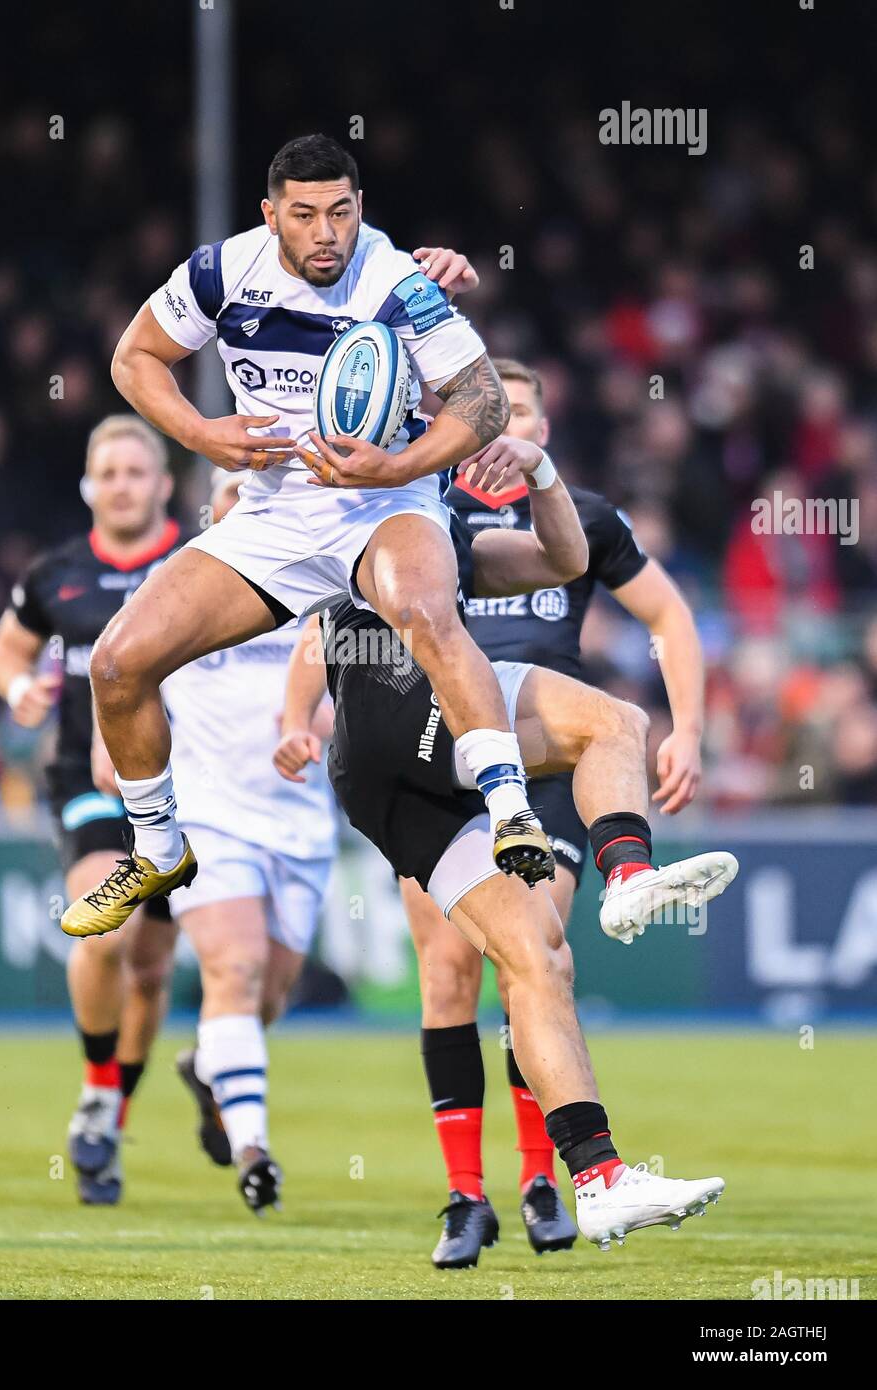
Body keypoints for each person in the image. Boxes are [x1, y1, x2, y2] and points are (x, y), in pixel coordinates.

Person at [59, 133, 553, 941]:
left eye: (341, 212)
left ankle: (510, 811)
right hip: (272, 512)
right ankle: (156, 847)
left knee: (424, 612)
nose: (326, 232)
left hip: (380, 503)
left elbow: (482, 400)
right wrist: (201, 433)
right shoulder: (221, 272)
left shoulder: (396, 281)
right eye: (305, 214)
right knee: (117, 664)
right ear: (271, 216)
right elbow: (135, 356)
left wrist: (400, 469)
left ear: (359, 209)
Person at [274, 439, 736, 1266]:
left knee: (538, 960)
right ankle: (625, 875)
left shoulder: (440, 525)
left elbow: (563, 557)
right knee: (617, 723)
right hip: (420, 716)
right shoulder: (369, 507)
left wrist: (544, 472)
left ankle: (592, 1180)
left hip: (389, 779)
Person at [400, 357, 712, 1260]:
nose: (508, 428)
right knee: (447, 975)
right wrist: (298, 716)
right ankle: (466, 1195)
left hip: (545, 752)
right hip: (435, 747)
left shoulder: (580, 520)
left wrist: (685, 727)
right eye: (495, 414)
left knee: (535, 955)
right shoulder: (423, 516)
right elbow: (330, 628)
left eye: (524, 414)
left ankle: (544, 1174)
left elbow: (671, 618)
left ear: (541, 429)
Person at [0, 415, 181, 1204]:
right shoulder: (54, 574)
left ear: (164, 484)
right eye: (109, 472)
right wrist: (17, 687)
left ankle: (107, 1112)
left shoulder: (198, 565)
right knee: (106, 924)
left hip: (189, 787)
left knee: (153, 970)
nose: (122, 484)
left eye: (136, 471)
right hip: (88, 784)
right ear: (88, 486)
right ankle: (99, 1091)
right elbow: (8, 646)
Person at [163, 472, 338, 1214]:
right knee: (233, 969)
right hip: (207, 814)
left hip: (300, 823)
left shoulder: (328, 585)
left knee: (266, 996)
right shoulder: (176, 587)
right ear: (213, 506)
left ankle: (211, 1068)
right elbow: (122, 670)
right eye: (233, 492)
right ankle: (253, 1153)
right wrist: (115, 746)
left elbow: (364, 685)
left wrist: (327, 722)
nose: (247, 504)